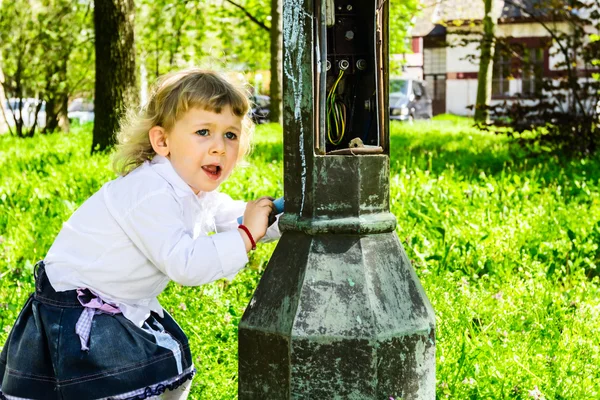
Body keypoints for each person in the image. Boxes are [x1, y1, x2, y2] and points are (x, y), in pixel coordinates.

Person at [0, 68, 281, 400]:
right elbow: (186, 264)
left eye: (231, 135)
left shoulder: (191, 189)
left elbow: (230, 216)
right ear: (162, 141)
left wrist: (278, 217)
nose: (219, 147)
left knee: (167, 373)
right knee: (119, 389)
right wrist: (247, 235)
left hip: (122, 306)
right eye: (204, 132)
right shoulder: (150, 192)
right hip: (79, 313)